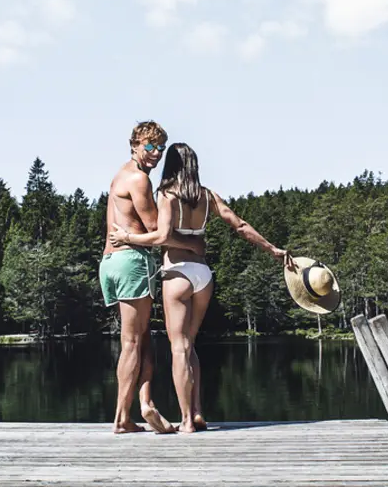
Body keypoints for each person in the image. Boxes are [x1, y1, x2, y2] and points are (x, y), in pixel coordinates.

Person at [109, 143, 293, 433]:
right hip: (203, 275)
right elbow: (240, 224)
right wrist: (271, 249)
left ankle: (185, 422)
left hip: (178, 273)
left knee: (179, 347)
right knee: (190, 345)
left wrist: (128, 237)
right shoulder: (208, 196)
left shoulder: (167, 194)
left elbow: (162, 237)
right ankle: (196, 412)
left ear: (170, 165)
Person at [100, 122, 201, 434]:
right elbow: (161, 233)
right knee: (132, 341)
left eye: (160, 148)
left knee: (141, 339)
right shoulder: (139, 180)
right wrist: (194, 244)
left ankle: (145, 405)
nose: (156, 154)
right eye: (149, 146)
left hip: (111, 262)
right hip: (133, 262)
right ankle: (121, 418)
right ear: (134, 145)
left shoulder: (120, 174)